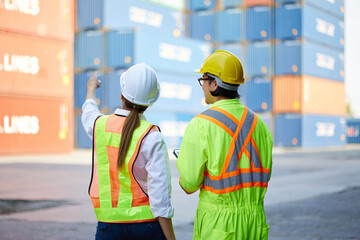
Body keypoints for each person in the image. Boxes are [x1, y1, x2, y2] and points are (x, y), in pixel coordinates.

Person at [176, 50, 273, 240]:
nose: (202, 85)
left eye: (203, 79)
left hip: (219, 226)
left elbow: (189, 184)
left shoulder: (201, 124)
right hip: (255, 222)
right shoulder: (260, 125)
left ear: (214, 84)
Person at [82, 63, 176, 240]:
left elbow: (88, 112)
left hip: (108, 228)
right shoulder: (152, 136)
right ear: (150, 102)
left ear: (121, 94)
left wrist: (91, 90)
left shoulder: (99, 127)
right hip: (147, 228)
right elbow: (160, 197)